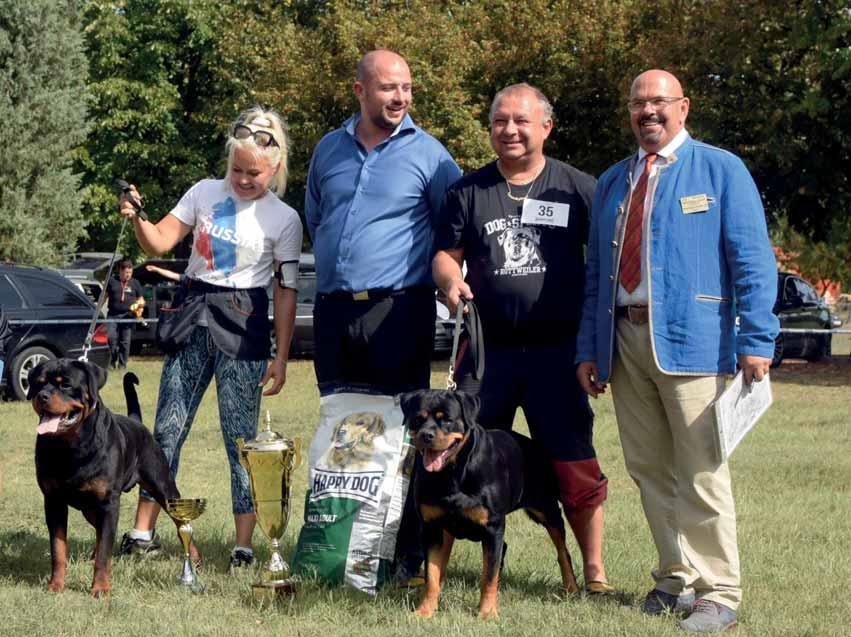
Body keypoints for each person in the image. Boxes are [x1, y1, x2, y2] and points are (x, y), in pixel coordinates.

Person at [576, 70, 779, 633]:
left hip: (697, 343)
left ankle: (719, 592)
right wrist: (589, 348)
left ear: (682, 108)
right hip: (624, 342)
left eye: (658, 102)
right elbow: (597, 273)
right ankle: (675, 577)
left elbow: (753, 260)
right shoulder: (615, 180)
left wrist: (757, 339)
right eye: (637, 103)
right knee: (648, 469)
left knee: (700, 470)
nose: (647, 112)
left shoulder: (721, 169)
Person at [432, 83, 612, 595]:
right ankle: (435, 574)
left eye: (521, 121)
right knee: (455, 454)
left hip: (559, 354)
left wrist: (596, 345)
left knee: (573, 458)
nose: (509, 130)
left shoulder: (579, 189)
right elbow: (446, 254)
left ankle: (593, 571)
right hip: (488, 355)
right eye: (499, 121)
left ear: (546, 127)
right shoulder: (466, 191)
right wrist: (450, 280)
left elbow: (603, 264)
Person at [117, 107, 303, 570]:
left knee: (239, 440)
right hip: (193, 312)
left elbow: (285, 291)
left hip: (244, 324)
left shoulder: (285, 219)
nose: (242, 179)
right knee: (166, 429)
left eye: (254, 173)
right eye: (236, 169)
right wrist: (137, 216)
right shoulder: (202, 192)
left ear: (274, 168)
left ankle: (243, 545)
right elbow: (159, 243)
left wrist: (280, 358)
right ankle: (142, 532)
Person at [304, 49, 462, 582]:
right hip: (332, 311)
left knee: (405, 433)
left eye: (407, 88)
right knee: (342, 431)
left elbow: (453, 230)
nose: (400, 97)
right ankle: (342, 546)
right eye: (388, 88)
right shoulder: (328, 148)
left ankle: (407, 554)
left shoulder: (432, 155)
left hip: (399, 309)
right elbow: (317, 216)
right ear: (360, 91)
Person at [105, 259, 145, 369]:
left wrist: (140, 308)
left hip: (128, 316)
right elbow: (104, 297)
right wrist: (97, 310)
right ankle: (111, 364)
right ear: (120, 271)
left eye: (130, 273)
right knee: (111, 338)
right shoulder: (112, 281)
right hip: (112, 315)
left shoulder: (135, 283)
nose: (128, 275)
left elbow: (141, 299)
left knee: (125, 342)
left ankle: (122, 365)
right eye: (126, 272)